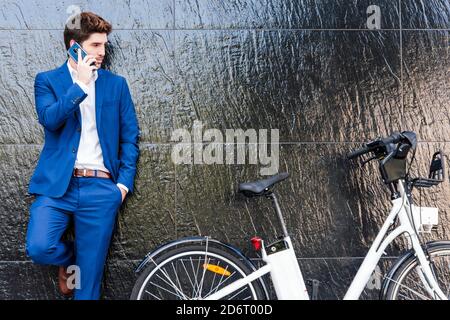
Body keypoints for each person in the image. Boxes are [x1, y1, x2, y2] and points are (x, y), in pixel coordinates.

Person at [25, 11, 140, 300]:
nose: (103, 51)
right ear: (74, 46)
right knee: (39, 247)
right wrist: (80, 86)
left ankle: (85, 261)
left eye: (104, 45)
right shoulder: (47, 81)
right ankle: (71, 258)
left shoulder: (116, 84)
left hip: (100, 189)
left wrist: (122, 187)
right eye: (96, 45)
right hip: (56, 188)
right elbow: (50, 119)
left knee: (87, 286)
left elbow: (130, 139)